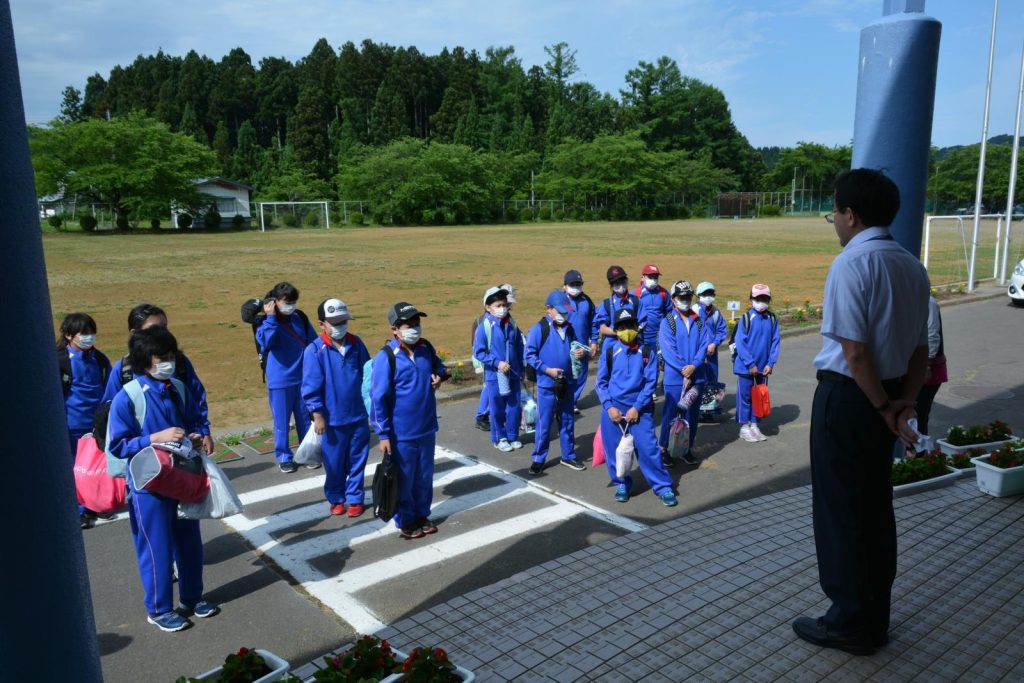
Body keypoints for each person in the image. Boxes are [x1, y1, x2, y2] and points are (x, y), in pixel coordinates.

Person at [793, 168, 930, 655]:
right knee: (874, 509)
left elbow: (854, 352)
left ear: (850, 215)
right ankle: (874, 617)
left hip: (852, 400)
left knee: (840, 512)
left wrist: (880, 407)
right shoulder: (912, 265)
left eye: (834, 212)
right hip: (889, 395)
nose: (834, 220)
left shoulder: (852, 264)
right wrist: (902, 405)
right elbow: (921, 353)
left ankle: (848, 622)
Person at [107, 326, 219, 632]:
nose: (168, 362)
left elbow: (194, 418)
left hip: (181, 477)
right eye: (162, 358)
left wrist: (199, 434)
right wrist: (154, 438)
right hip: (148, 485)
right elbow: (117, 446)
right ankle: (158, 609)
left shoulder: (178, 387)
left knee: (190, 542)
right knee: (155, 547)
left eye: (171, 356)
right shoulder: (127, 397)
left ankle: (193, 598)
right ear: (145, 362)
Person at [369, 302, 449, 539]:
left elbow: (439, 367)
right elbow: (378, 398)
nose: (415, 329)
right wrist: (382, 434)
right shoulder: (387, 357)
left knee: (424, 477)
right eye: (409, 326)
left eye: (417, 324)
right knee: (404, 478)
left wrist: (439, 378)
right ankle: (406, 519)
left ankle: (422, 514)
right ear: (395, 329)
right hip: (401, 433)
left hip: (426, 427)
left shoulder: (425, 348)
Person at [101, 304, 214, 455]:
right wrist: (154, 439)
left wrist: (200, 433)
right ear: (135, 334)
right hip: (146, 471)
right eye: (154, 328)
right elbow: (117, 438)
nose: (161, 333)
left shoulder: (179, 375)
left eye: (164, 327)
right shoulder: (125, 377)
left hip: (182, 468)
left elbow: (196, 400)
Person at [595, 308, 677, 507]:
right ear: (616, 330)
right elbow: (601, 382)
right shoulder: (609, 350)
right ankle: (622, 483)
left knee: (648, 449)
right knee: (614, 450)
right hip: (614, 410)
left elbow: (650, 383)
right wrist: (609, 407)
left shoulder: (647, 351)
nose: (627, 330)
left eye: (630, 326)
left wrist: (637, 408)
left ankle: (663, 486)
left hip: (640, 410)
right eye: (621, 327)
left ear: (637, 327)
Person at [302, 298, 372, 517]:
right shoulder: (315, 350)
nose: (340, 326)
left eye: (343, 321)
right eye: (334, 322)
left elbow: (368, 376)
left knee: (357, 460)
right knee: (333, 462)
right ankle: (336, 497)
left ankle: (355, 498)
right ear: (322, 324)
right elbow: (311, 385)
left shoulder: (356, 343)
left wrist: (372, 409)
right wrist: (317, 415)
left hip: (358, 416)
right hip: (331, 419)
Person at [256, 282, 318, 473]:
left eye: (293, 301)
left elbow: (313, 343)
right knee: (281, 423)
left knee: (304, 420)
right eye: (286, 301)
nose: (290, 305)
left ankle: (306, 453)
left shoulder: (300, 318)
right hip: (280, 381)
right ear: (275, 301)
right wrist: (271, 318)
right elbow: (267, 342)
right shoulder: (265, 323)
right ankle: (284, 456)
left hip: (302, 378)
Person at [58, 312, 112, 528]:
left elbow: (110, 389)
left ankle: (95, 504)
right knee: (75, 469)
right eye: (84, 333)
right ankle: (80, 510)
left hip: (96, 426)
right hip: (70, 426)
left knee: (97, 467)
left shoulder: (99, 359)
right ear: (69, 335)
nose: (89, 337)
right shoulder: (60, 360)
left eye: (91, 332)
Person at [524, 291, 586, 475]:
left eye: (565, 312)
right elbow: (530, 355)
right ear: (548, 309)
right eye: (559, 311)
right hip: (546, 384)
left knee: (567, 420)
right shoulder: (539, 329)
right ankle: (538, 457)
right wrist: (547, 370)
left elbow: (575, 346)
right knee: (544, 422)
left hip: (567, 382)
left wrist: (579, 353)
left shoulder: (570, 328)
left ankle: (568, 454)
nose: (563, 315)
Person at [658, 281, 707, 467]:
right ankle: (665, 448)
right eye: (681, 297)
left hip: (696, 376)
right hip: (675, 378)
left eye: (688, 297)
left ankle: (686, 448)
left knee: (692, 415)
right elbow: (668, 349)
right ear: (673, 299)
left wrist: (693, 366)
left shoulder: (699, 321)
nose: (685, 301)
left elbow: (704, 345)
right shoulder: (668, 322)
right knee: (671, 414)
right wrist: (683, 368)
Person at [473, 286, 525, 452]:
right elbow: (479, 352)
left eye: (504, 305)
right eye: (498, 305)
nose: (502, 308)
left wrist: (522, 367)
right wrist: (496, 363)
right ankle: (499, 437)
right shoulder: (485, 326)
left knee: (514, 406)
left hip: (513, 372)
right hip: (494, 374)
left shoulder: (512, 324)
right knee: (497, 408)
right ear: (488, 307)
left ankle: (512, 435)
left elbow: (519, 346)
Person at [733, 284, 781, 443]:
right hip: (746, 367)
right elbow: (741, 343)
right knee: (745, 397)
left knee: (759, 397)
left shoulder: (772, 318)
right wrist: (750, 364)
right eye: (758, 298)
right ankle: (744, 427)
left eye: (765, 298)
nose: (761, 301)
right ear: (751, 299)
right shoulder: (746, 318)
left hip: (763, 368)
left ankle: (755, 424)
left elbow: (775, 342)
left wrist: (771, 363)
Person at [694, 282, 729, 422]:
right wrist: (703, 349)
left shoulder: (715, 312)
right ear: (698, 296)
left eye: (710, 294)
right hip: (697, 354)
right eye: (704, 294)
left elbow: (722, 330)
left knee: (711, 380)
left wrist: (714, 343)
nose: (708, 297)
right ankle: (695, 410)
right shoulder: (693, 311)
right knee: (697, 381)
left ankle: (708, 410)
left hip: (712, 354)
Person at [563, 269, 597, 414]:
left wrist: (594, 341)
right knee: (566, 374)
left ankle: (573, 401)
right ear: (565, 286)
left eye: (578, 284)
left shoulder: (587, 301)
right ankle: (564, 401)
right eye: (572, 284)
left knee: (581, 374)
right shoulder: (561, 301)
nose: (576, 287)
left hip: (582, 344)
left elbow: (593, 323)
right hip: (565, 345)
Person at [592, 265, 648, 353]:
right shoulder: (606, 304)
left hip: (634, 348)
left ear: (626, 280)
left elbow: (643, 323)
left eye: (622, 281)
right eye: (616, 283)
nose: (620, 285)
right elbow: (602, 328)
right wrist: (620, 333)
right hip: (612, 348)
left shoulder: (636, 301)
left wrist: (631, 333)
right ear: (611, 286)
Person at [915, 296, 947, 435]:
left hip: (928, 370)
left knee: (919, 415)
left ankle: (918, 453)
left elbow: (932, 335)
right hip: (913, 369)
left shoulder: (928, 302)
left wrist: (926, 365)